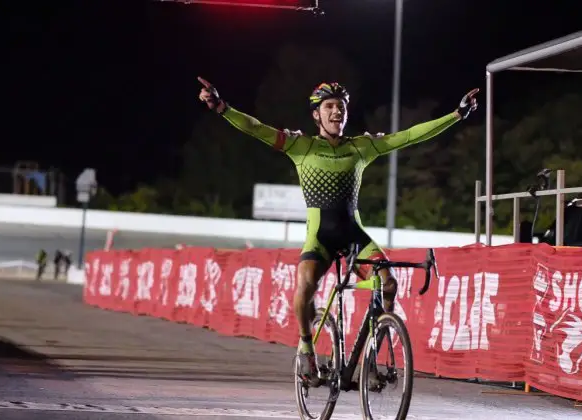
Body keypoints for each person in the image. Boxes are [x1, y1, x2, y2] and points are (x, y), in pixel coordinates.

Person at [197, 76, 479, 384]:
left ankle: (371, 359)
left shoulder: (362, 146)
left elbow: (410, 136)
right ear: (316, 114)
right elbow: (255, 128)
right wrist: (221, 107)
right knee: (304, 284)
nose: (336, 112)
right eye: (329, 106)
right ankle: (306, 348)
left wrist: (456, 115)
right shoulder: (300, 145)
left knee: (388, 284)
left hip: (353, 234)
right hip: (320, 237)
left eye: (341, 107)